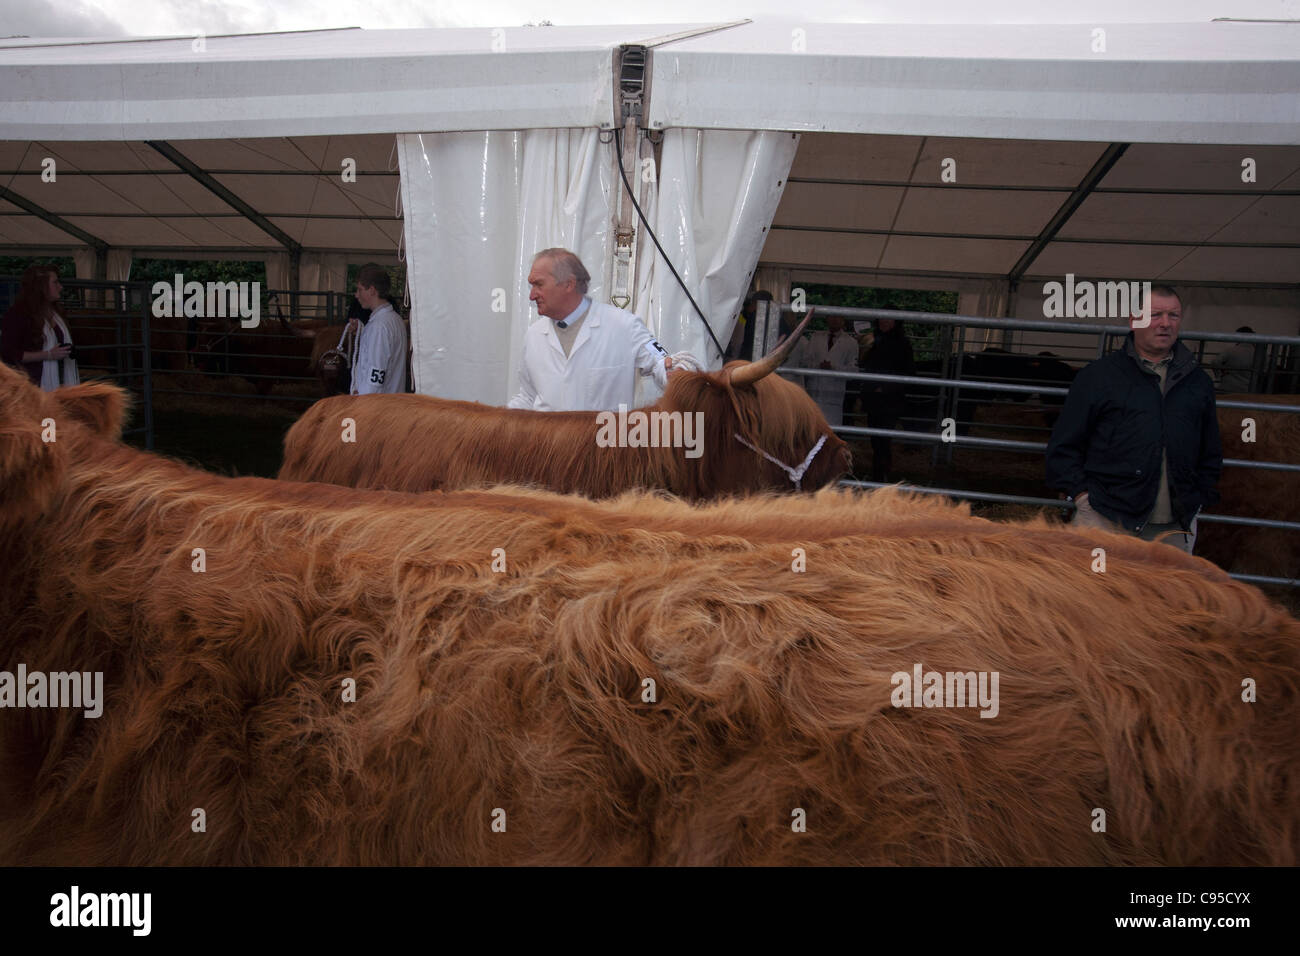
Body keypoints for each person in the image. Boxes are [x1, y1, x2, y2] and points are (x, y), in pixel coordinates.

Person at [1046, 285, 1221, 554]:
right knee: (1098, 593)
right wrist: (1082, 498)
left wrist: (1197, 498)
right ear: (1133, 320)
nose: (1165, 324)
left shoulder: (1198, 382)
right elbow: (1064, 445)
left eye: (1173, 315)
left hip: (1173, 528)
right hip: (1106, 520)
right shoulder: (1098, 377)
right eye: (1155, 315)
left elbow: (1210, 450)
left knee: (1167, 596)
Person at [508, 248, 676, 411]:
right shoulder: (534, 335)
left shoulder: (625, 326)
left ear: (568, 284)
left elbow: (661, 363)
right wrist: (494, 423)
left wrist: (675, 370)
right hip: (546, 439)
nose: (532, 295)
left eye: (539, 285)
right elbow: (529, 397)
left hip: (604, 439)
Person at [0, 264, 78, 390]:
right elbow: (9, 353)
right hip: (32, 384)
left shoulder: (56, 313)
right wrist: (47, 355)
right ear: (40, 286)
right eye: (55, 283)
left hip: (60, 379)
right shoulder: (18, 315)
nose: (60, 287)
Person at [860, 317, 914, 482]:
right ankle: (879, 471)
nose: (884, 322)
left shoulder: (903, 343)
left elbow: (908, 372)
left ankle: (881, 473)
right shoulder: (872, 339)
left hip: (890, 398)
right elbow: (864, 363)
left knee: (883, 437)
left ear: (896, 322)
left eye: (889, 319)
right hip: (872, 397)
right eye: (882, 318)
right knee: (875, 438)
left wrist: (886, 387)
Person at [348, 263, 407, 395]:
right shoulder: (395, 319)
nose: (357, 295)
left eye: (360, 289)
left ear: (372, 290)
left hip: (375, 408)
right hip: (392, 402)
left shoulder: (379, 326)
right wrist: (363, 331)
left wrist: (362, 403)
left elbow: (376, 376)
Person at [795, 313, 860, 427]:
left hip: (834, 397)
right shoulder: (816, 337)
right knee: (811, 428)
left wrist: (834, 367)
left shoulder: (851, 343)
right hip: (814, 393)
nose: (834, 319)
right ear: (826, 319)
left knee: (831, 431)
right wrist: (818, 366)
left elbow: (853, 372)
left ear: (843, 319)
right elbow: (804, 363)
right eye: (831, 316)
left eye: (838, 316)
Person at [725, 290, 774, 361]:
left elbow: (746, 344)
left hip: (750, 359)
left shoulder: (753, 318)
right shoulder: (777, 318)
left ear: (755, 304)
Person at [1212, 326, 1257, 393]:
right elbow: (1265, 369)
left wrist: (1219, 374)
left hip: (1228, 387)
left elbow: (1215, 362)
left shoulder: (1231, 350)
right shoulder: (1259, 353)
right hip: (1249, 389)